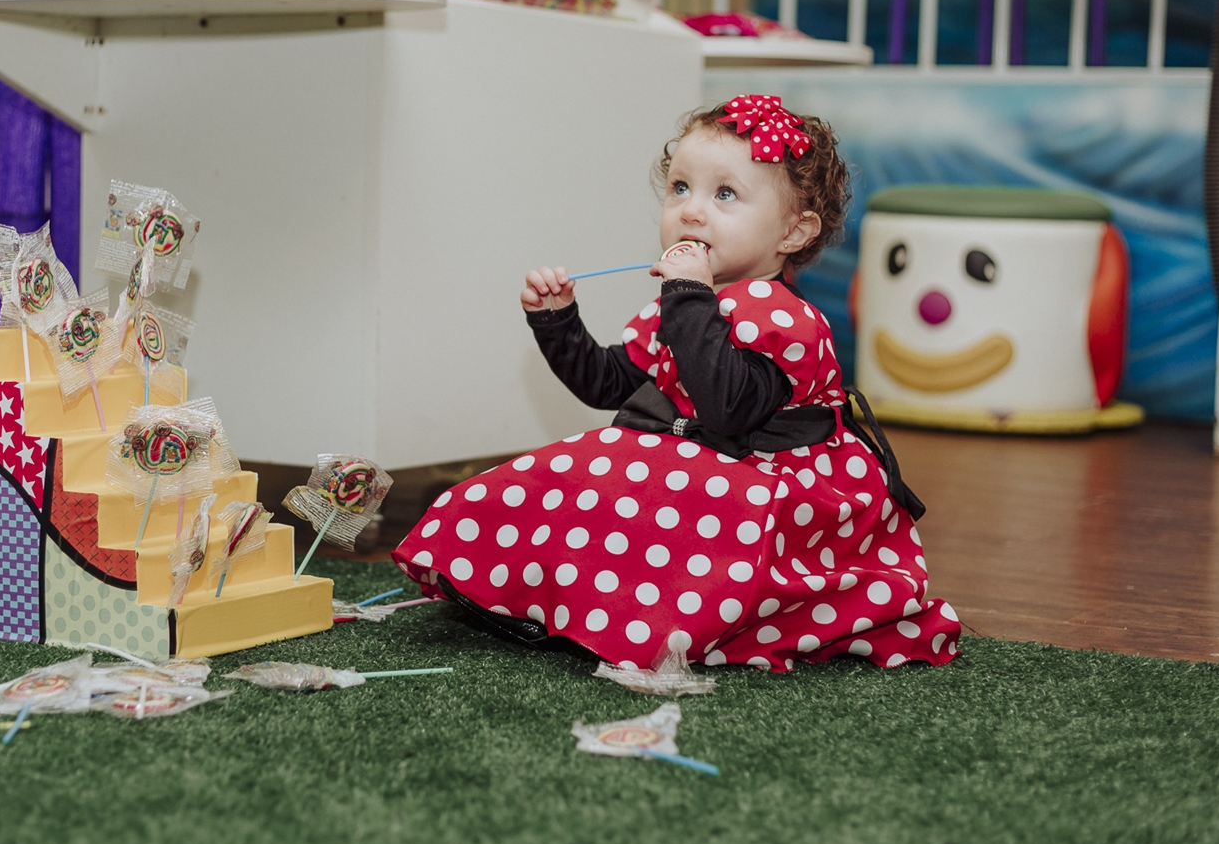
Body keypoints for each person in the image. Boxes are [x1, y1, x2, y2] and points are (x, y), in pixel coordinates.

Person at [391, 96, 961, 672]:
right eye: (681, 188)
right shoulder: (690, 302)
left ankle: (642, 623)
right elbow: (608, 383)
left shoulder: (782, 315)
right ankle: (522, 587)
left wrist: (688, 297)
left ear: (794, 231)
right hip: (689, 467)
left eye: (725, 194)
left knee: (643, 483)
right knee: (576, 468)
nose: (690, 212)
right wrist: (558, 320)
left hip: (766, 489)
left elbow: (729, 408)